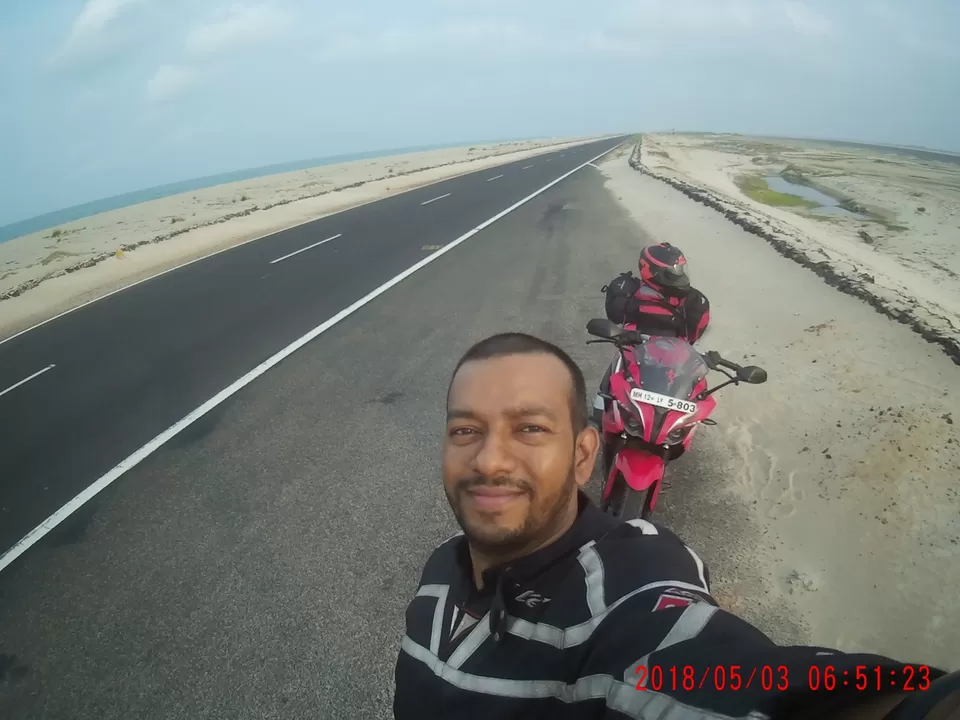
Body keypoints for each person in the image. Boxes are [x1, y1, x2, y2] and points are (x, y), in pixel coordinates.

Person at [393, 332, 957, 720]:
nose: (490, 460)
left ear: (585, 454)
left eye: (531, 429)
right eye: (466, 430)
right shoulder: (443, 565)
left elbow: (726, 673)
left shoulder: (628, 583)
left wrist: (913, 702)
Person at [595, 242, 711, 426]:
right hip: (645, 349)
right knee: (619, 370)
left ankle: (603, 410)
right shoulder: (693, 302)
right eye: (672, 273)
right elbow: (693, 337)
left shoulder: (692, 301)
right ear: (650, 271)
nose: (678, 276)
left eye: (680, 270)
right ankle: (604, 408)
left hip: (651, 349)